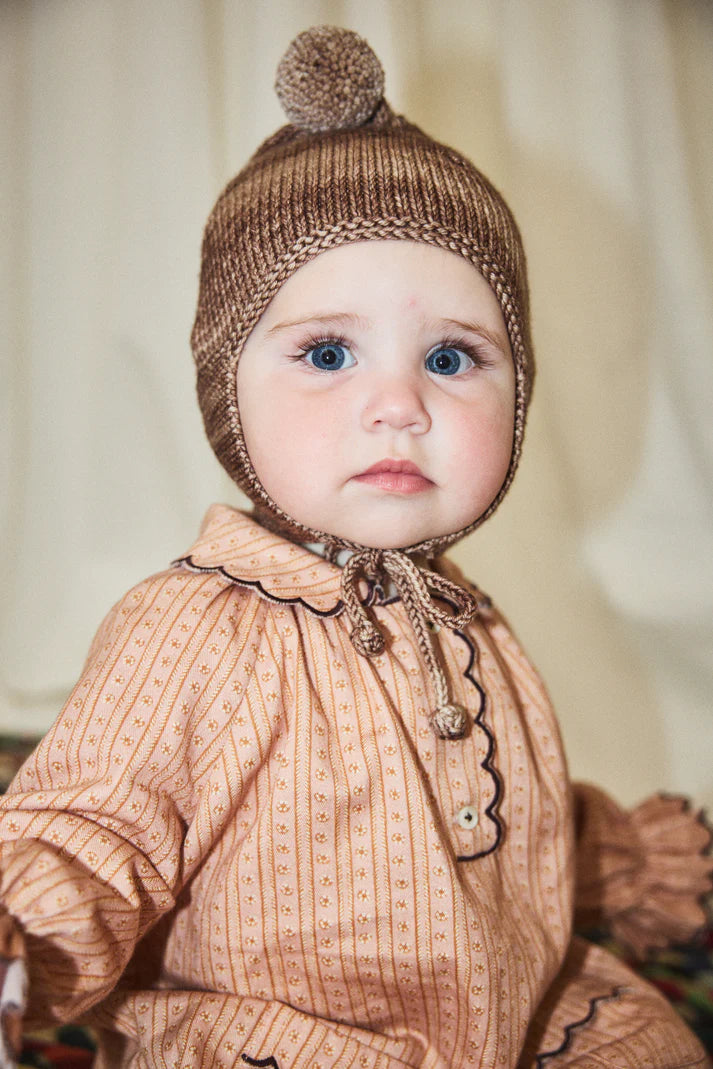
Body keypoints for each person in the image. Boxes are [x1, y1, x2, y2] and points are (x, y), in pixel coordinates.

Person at [0, 25, 711, 1069]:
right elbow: (94, 825)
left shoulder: (459, 612)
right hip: (277, 1030)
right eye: (327, 353)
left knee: (644, 1040)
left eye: (451, 356)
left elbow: (511, 812)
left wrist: (616, 864)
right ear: (226, 389)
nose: (397, 405)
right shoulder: (191, 627)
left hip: (511, 1013)